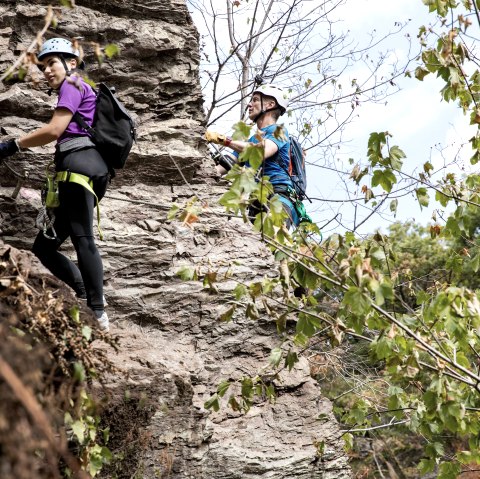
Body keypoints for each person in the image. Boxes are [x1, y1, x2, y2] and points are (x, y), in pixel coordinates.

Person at [0, 38, 109, 330]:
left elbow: (54, 130)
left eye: (52, 63)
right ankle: (85, 294)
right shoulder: (79, 88)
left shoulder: (73, 85)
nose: (47, 70)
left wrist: (11, 145)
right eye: (43, 66)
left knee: (83, 237)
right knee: (44, 247)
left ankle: (97, 311)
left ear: (71, 63)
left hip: (79, 167)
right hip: (83, 168)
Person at [205, 83, 300, 228]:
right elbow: (225, 165)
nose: (249, 104)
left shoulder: (279, 131)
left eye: (255, 100)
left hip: (278, 197)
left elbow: (261, 151)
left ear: (270, 104)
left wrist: (224, 140)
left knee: (272, 239)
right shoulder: (250, 141)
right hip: (256, 202)